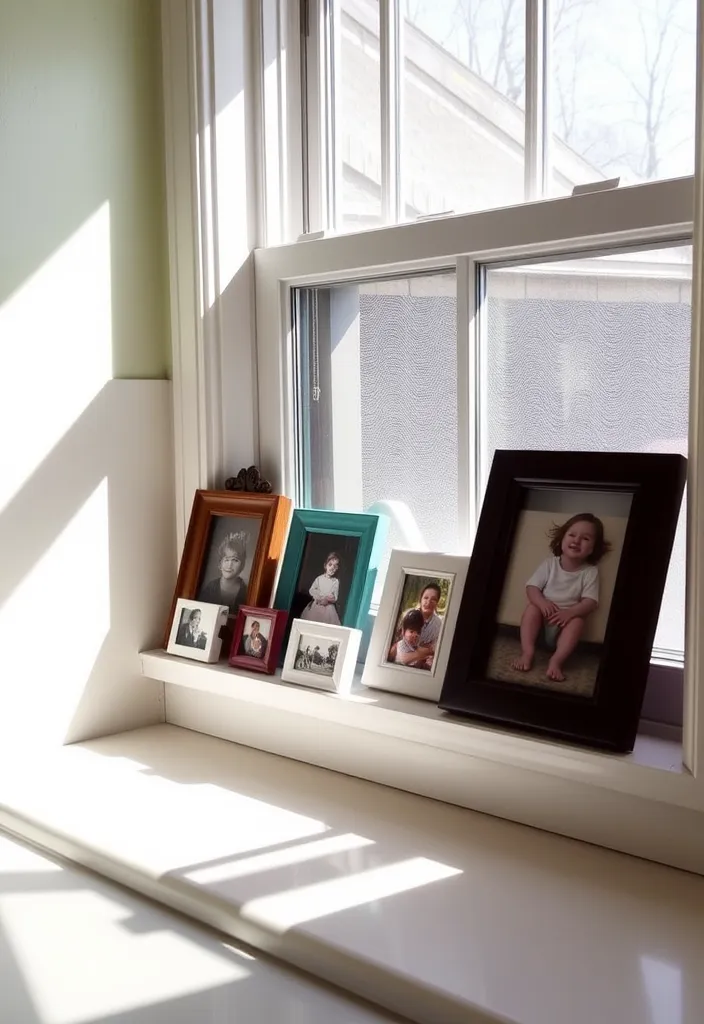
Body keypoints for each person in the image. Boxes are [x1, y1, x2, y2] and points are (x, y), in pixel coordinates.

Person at [511, 512, 610, 682]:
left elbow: (590, 602)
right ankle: (528, 652)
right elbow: (532, 588)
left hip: (564, 626)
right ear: (562, 539)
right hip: (541, 623)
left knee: (578, 621)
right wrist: (542, 603)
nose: (576, 540)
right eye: (572, 534)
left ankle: (556, 661)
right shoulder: (550, 564)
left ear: (593, 548)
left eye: (585, 538)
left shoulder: (590, 572)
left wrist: (570, 613)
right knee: (532, 608)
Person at [389, 582, 444, 669]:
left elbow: (432, 651)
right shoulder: (408, 614)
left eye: (433, 599)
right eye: (425, 598)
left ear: (437, 602)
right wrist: (422, 652)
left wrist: (425, 653)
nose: (428, 602)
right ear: (420, 599)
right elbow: (396, 644)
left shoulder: (439, 624)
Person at [198, 531, 249, 615]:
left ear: (242, 565)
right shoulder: (210, 588)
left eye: (235, 560)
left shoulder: (246, 591)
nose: (229, 565)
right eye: (226, 560)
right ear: (220, 564)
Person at [300, 552, 342, 625]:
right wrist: (318, 597)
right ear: (325, 565)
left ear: (337, 569)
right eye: (330, 565)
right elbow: (312, 590)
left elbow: (335, 597)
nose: (332, 568)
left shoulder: (335, 581)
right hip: (317, 605)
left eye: (335, 567)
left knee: (325, 625)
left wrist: (326, 599)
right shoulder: (319, 578)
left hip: (328, 608)